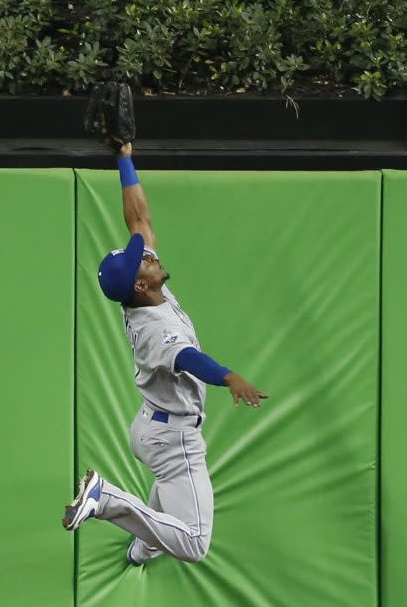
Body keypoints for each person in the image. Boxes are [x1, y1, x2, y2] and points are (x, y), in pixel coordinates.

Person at [62, 141, 268, 565]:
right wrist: (230, 377)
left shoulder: (144, 292)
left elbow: (139, 219)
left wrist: (123, 157)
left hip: (150, 427)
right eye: (144, 262)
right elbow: (190, 358)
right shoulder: (156, 329)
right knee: (194, 543)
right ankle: (104, 500)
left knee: (167, 502)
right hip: (173, 439)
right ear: (140, 283)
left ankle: (143, 547)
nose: (149, 255)